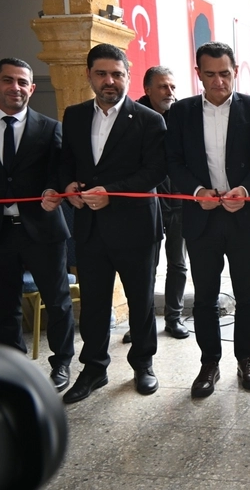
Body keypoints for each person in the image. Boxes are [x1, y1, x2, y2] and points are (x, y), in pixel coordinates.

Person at [45, 44, 167, 403]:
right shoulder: (75, 116)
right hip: (90, 227)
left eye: (117, 74)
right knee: (95, 303)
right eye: (101, 74)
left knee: (140, 301)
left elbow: (155, 171)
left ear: (128, 75)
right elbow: (66, 161)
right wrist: (68, 185)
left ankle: (143, 364)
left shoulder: (148, 120)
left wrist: (111, 193)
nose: (109, 81)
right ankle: (94, 369)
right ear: (89, 76)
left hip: (136, 227)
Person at [166, 42, 250, 398]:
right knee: (205, 296)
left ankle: (246, 359)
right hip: (202, 217)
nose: (219, 81)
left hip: (244, 216)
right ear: (198, 74)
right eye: (210, 74)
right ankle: (209, 363)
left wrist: (246, 190)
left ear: (235, 71)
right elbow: (173, 161)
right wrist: (196, 191)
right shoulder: (182, 112)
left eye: (225, 73)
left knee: (247, 295)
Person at [0, 57, 75, 392]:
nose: (15, 87)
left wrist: (52, 190)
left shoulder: (50, 127)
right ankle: (14, 368)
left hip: (42, 229)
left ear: (31, 88)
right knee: (5, 304)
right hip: (2, 232)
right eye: (7, 80)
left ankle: (62, 364)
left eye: (22, 82)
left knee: (57, 301)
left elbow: (60, 171)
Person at [121, 66, 188, 343]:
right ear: (148, 89)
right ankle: (141, 322)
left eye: (172, 87)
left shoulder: (182, 116)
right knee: (145, 266)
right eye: (163, 87)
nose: (169, 92)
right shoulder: (134, 117)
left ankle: (174, 318)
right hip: (147, 204)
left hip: (180, 202)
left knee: (178, 264)